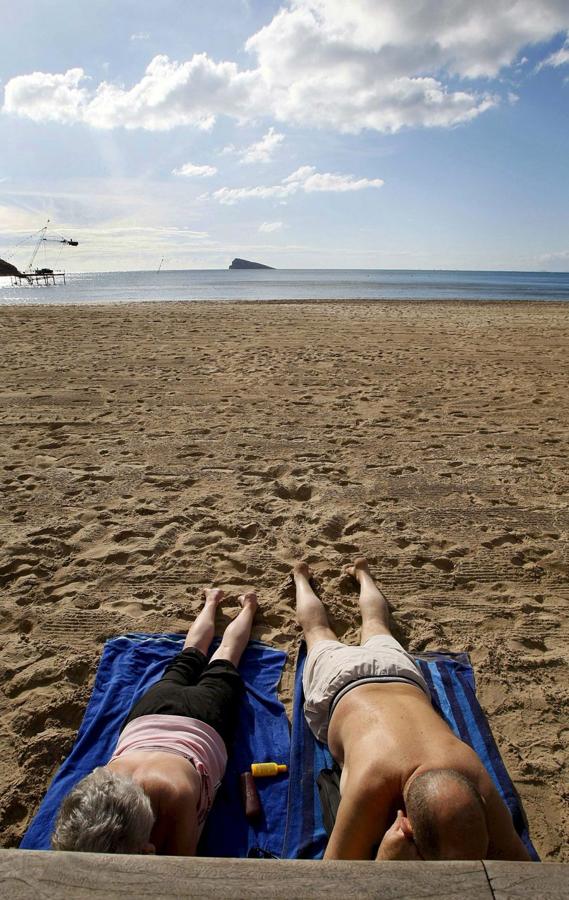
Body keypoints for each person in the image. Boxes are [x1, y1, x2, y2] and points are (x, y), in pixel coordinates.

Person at [294, 558, 530, 861]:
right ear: (405, 827)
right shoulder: (371, 787)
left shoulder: (470, 776)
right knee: (322, 631)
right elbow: (334, 880)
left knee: (334, 629)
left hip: (397, 677)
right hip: (343, 683)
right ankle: (337, 576)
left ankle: (320, 576)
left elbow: (517, 861)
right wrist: (386, 862)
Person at [52, 588, 258, 855]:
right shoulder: (97, 786)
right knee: (192, 653)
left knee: (224, 656)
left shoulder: (177, 795)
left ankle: (245, 606)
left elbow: (179, 863)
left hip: (201, 720)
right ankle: (215, 600)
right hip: (148, 717)